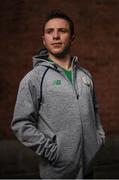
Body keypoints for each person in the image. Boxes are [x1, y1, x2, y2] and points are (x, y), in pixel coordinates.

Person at [11, 10, 105, 179]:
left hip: (89, 170)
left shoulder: (85, 75)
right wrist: (54, 153)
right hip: (58, 172)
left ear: (72, 38)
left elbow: (95, 110)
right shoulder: (34, 78)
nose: (55, 36)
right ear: (44, 40)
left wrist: (98, 140)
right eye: (49, 31)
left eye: (62, 31)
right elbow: (21, 124)